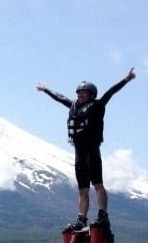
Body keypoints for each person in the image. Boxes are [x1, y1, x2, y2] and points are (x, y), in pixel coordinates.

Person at [37, 67, 136, 231]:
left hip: (92, 150)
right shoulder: (74, 106)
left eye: (84, 92)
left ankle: (102, 214)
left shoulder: (97, 106)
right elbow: (60, 98)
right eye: (79, 92)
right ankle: (82, 219)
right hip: (79, 152)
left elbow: (110, 92)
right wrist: (46, 89)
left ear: (92, 94)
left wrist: (126, 80)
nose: (80, 95)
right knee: (82, 189)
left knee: (97, 184)